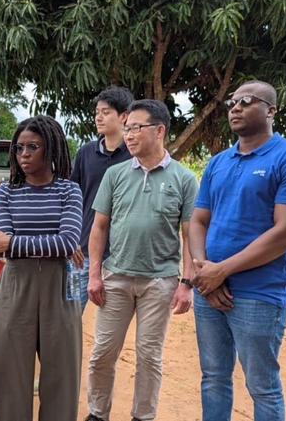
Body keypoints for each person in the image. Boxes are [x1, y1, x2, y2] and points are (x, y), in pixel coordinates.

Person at [188, 81, 286, 421]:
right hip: (210, 290)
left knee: (262, 385)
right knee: (213, 377)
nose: (235, 108)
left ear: (271, 110)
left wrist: (221, 271)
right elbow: (198, 221)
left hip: (258, 294)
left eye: (246, 101)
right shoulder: (218, 163)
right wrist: (205, 272)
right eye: (232, 102)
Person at [84, 99, 198, 421]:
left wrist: (186, 283)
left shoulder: (185, 179)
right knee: (102, 354)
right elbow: (99, 228)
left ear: (159, 130)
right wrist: (95, 275)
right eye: (127, 128)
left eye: (136, 128)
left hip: (159, 282)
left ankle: (142, 416)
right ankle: (97, 413)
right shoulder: (115, 175)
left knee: (150, 356)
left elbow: (190, 235)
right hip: (115, 278)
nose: (129, 135)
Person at [0, 115, 83, 421]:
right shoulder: (6, 191)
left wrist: (14, 242)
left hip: (60, 287)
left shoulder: (69, 190)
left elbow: (67, 241)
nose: (24, 154)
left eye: (33, 147)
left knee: (62, 375)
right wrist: (48, 243)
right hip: (15, 285)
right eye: (18, 148)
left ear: (51, 149)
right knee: (9, 372)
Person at [71, 86, 133, 312]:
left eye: (106, 112)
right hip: (82, 252)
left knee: (111, 326)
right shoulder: (85, 152)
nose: (98, 117)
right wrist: (71, 238)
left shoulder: (135, 155)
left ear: (124, 116)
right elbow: (73, 198)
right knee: (69, 315)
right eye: (97, 111)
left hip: (121, 256)